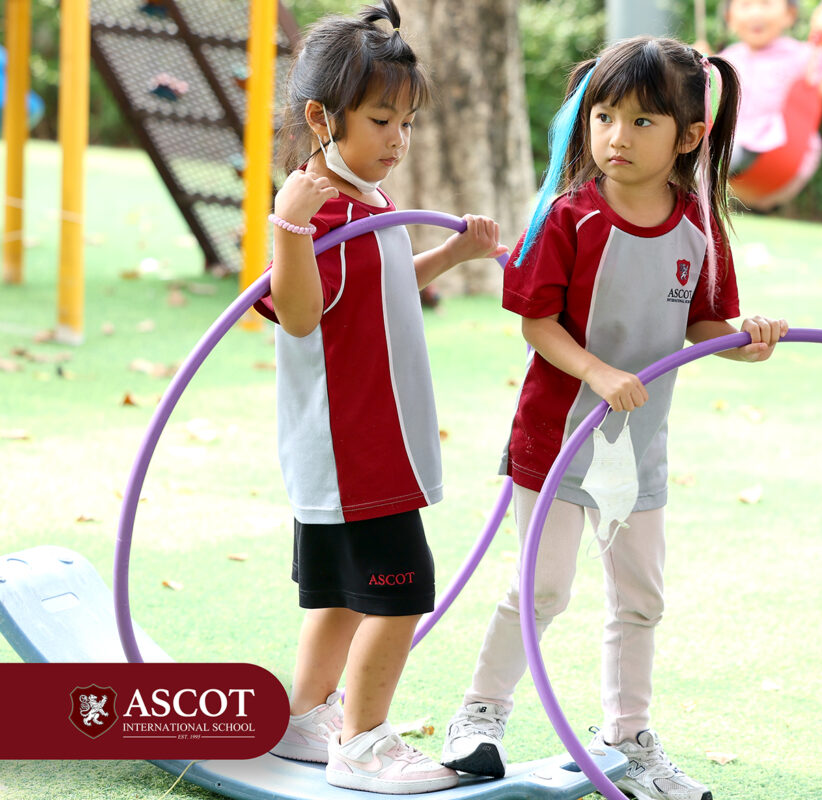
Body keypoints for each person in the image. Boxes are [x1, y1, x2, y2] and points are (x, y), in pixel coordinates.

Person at [441, 36, 787, 800]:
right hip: (557, 440)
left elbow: (704, 325)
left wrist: (744, 340)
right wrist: (597, 373)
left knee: (640, 598)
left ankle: (628, 735)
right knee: (542, 590)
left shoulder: (697, 226)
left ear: (689, 137)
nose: (616, 138)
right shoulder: (571, 216)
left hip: (638, 450)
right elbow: (537, 322)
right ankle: (479, 716)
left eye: (640, 122)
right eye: (604, 117)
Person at [257, 0, 507, 793]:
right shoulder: (318, 208)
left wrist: (454, 254)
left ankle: (305, 719)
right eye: (379, 121)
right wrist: (287, 231)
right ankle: (361, 742)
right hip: (355, 444)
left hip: (365, 440)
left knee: (340, 597)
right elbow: (299, 314)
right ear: (321, 119)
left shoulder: (364, 199)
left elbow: (378, 284)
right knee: (401, 595)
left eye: (405, 123)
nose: (397, 141)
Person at [714, 0, 822, 210]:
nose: (755, 12)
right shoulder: (724, 60)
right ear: (729, 18)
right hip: (733, 147)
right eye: (745, 5)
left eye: (765, 3)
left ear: (789, 14)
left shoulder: (803, 56)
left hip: (778, 152)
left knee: (714, 156)